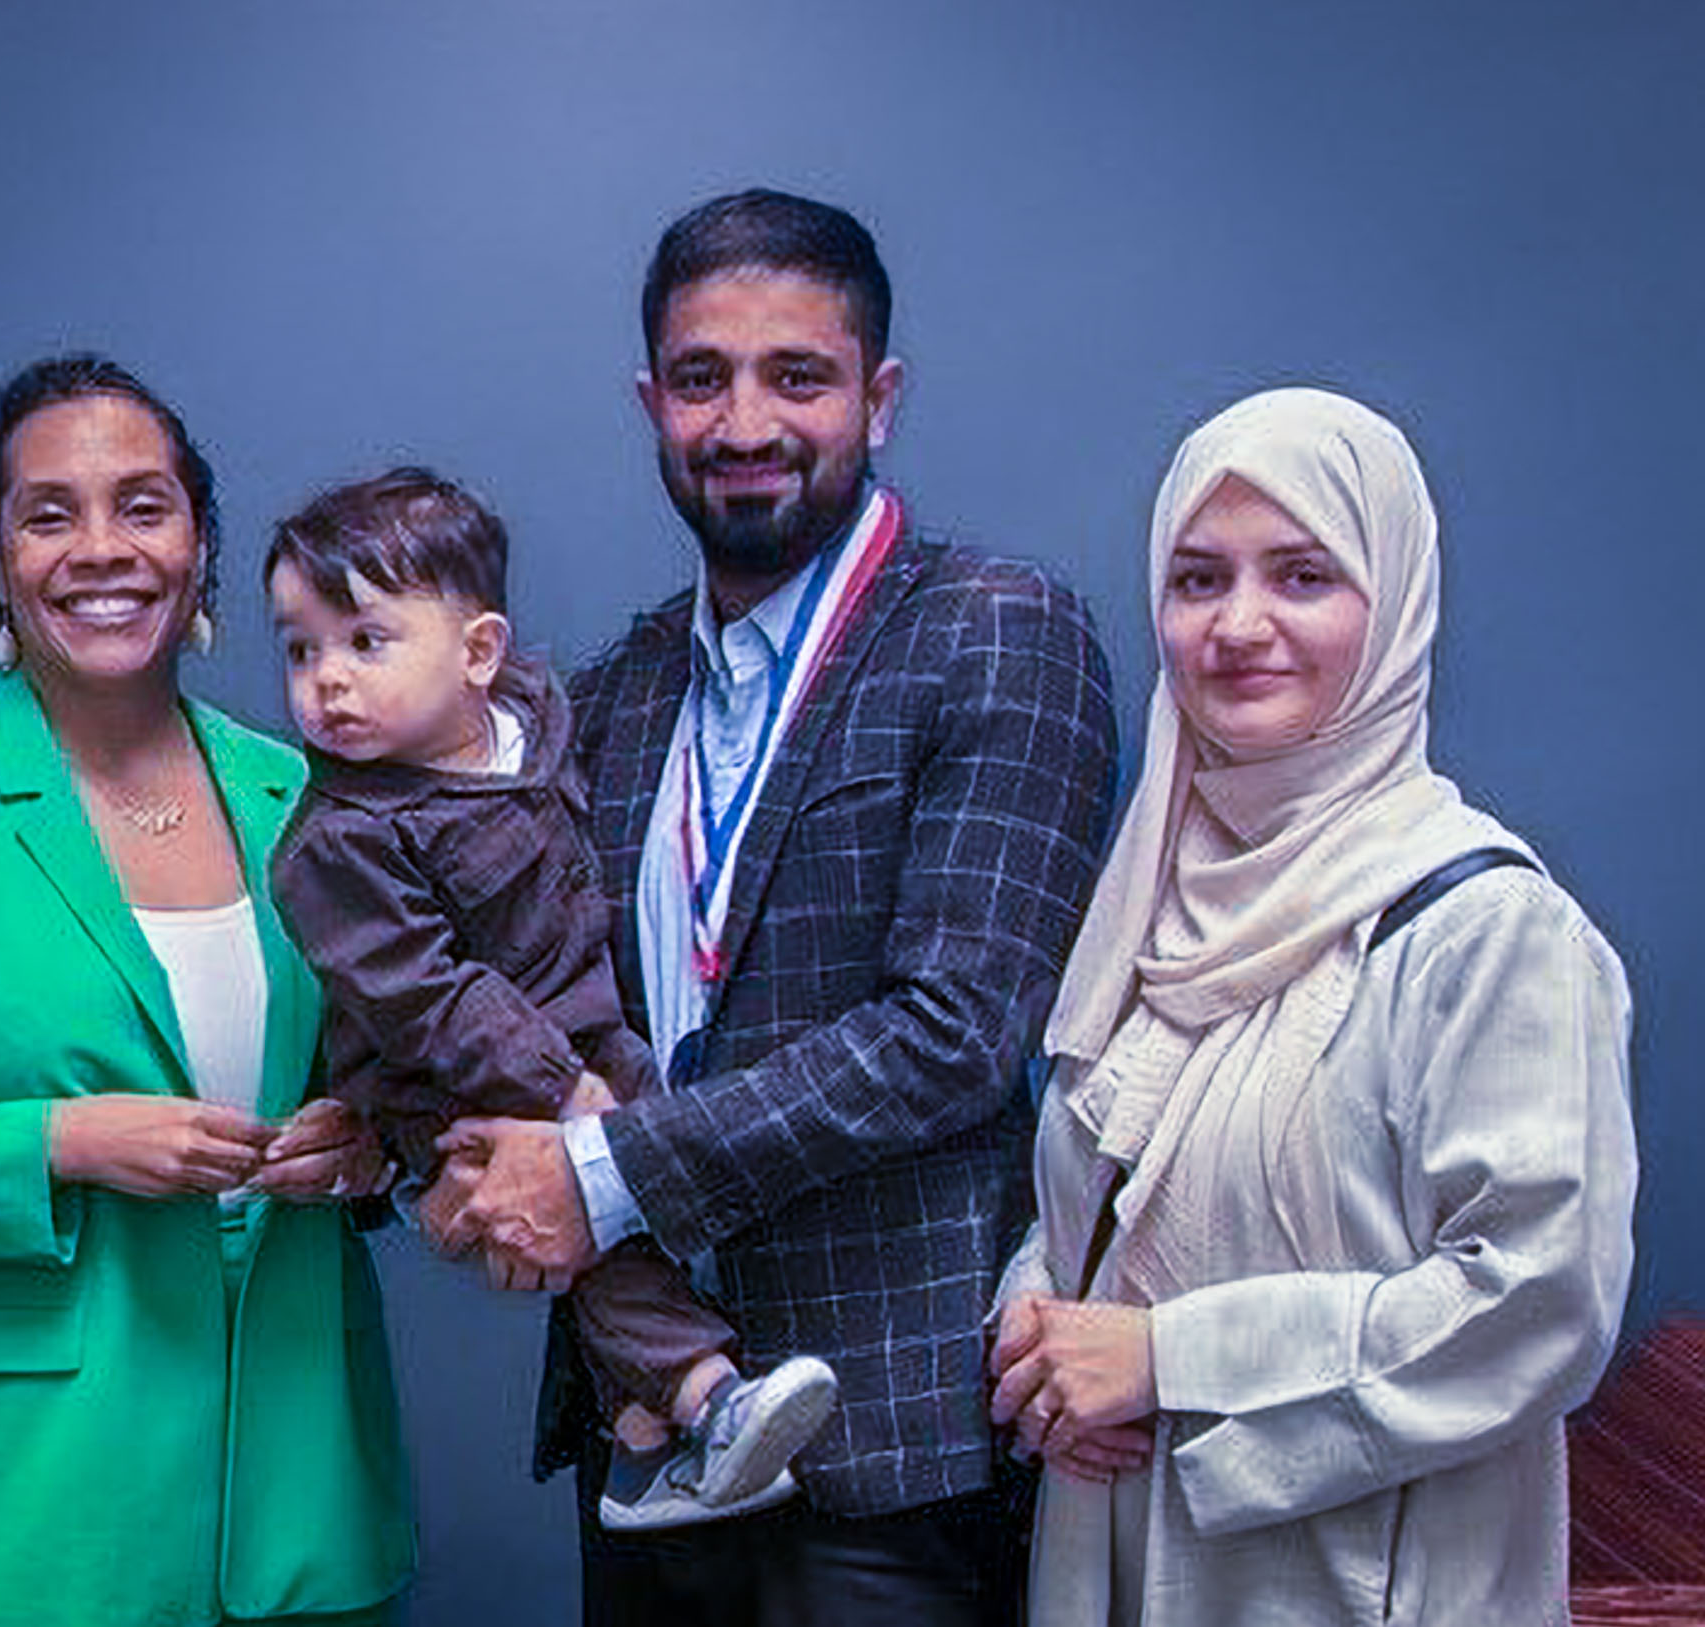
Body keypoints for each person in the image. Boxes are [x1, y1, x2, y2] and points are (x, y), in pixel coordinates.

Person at [431, 189, 1119, 1624]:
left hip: (891, 1449)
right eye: (702, 377)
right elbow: (513, 995)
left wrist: (594, 1175)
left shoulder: (997, 628)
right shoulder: (611, 695)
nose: (745, 421)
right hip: (647, 1436)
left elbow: (957, 1030)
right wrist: (429, 1147)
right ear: (651, 402)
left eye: (795, 374)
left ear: (879, 398)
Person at [0, 354, 413, 1627]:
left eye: (144, 506)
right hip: (27, 1514)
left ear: (201, 545)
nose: (100, 548)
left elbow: (395, 1076)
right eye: (49, 513)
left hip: (295, 1497)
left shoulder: (317, 795)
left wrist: (368, 1145)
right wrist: (63, 1139)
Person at [988, 386, 1637, 1626]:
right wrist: (1038, 1312)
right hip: (1115, 1562)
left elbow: (1537, 1300)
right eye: (1195, 579)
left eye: (1299, 576)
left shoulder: (1485, 932)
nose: (1237, 625)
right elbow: (1124, 1199)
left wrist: (1166, 1357)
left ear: (1389, 605)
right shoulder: (1151, 913)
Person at [264, 465, 840, 1530]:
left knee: (635, 1184)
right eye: (299, 649)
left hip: (581, 1021)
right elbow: (426, 995)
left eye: (363, 641)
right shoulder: (334, 843)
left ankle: (633, 1450)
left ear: (478, 653)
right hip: (445, 1076)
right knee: (587, 1205)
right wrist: (556, 1084)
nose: (324, 682)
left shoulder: (535, 714)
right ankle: (707, 1402)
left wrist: (587, 1067)